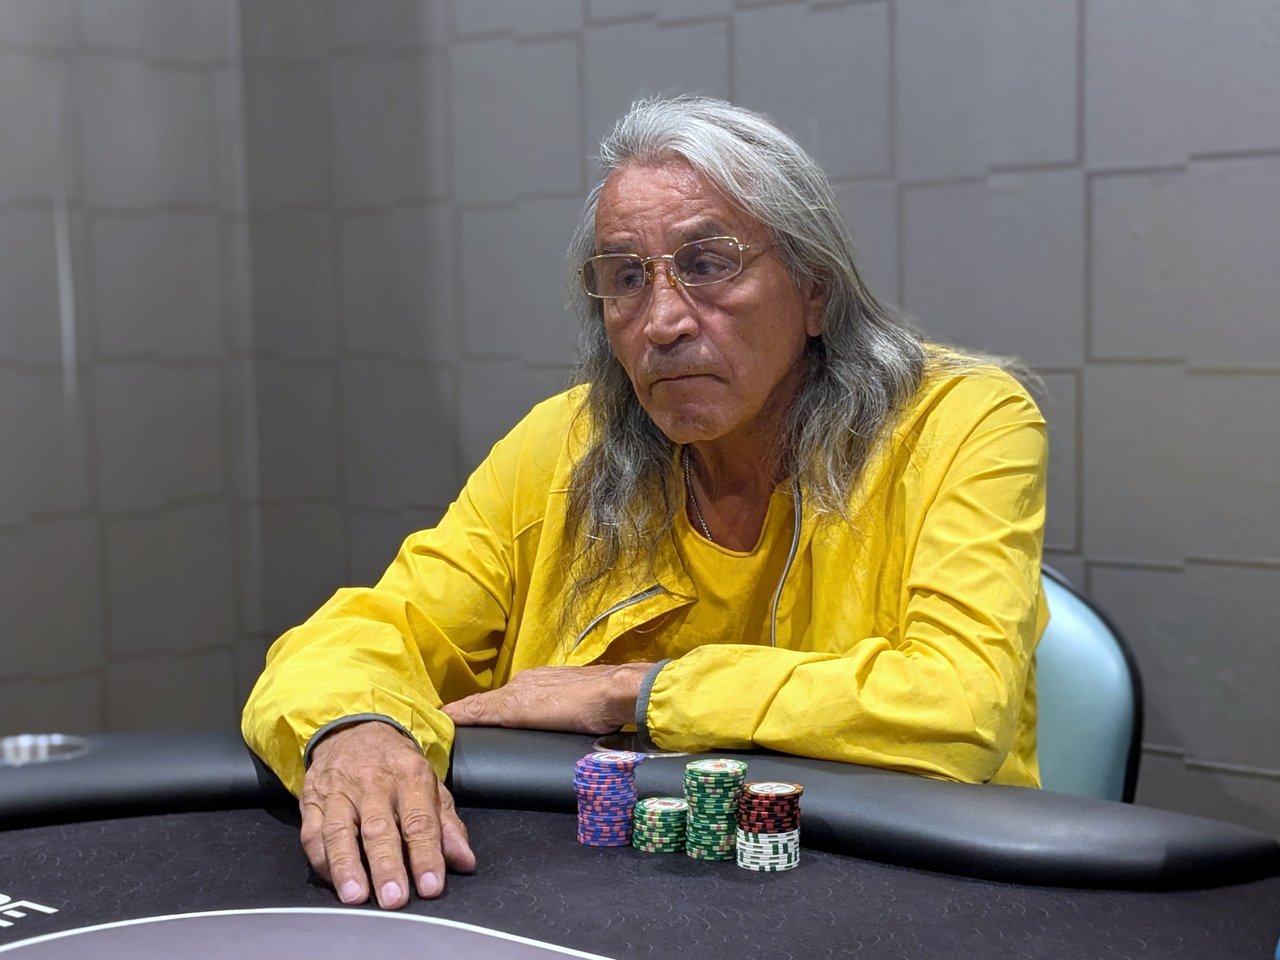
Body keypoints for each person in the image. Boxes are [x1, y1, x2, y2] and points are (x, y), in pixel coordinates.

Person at [242, 96, 1048, 911]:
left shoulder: (961, 423)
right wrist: (353, 727)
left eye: (708, 264)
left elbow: (960, 709)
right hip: (605, 895)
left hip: (921, 892)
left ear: (814, 291)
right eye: (626, 278)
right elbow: (365, 634)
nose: (661, 321)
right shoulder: (564, 445)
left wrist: (633, 692)